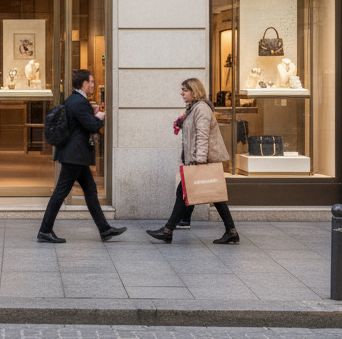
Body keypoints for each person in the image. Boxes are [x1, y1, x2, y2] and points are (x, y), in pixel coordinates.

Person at [37, 69, 127, 244]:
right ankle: (45, 230)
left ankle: (105, 229)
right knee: (60, 193)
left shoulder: (74, 100)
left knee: (91, 191)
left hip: (76, 155)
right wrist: (99, 117)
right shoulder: (79, 102)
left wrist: (92, 114)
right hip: (75, 156)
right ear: (84, 83)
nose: (93, 85)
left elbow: (80, 123)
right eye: (91, 82)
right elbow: (92, 126)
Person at [146, 78, 238, 245]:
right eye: (182, 90)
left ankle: (168, 231)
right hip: (197, 160)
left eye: (185, 90)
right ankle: (231, 231)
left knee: (192, 193)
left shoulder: (201, 108)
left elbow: (202, 135)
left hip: (201, 161)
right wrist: (182, 123)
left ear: (194, 91)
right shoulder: (194, 108)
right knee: (215, 196)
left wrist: (199, 161)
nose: (182, 93)